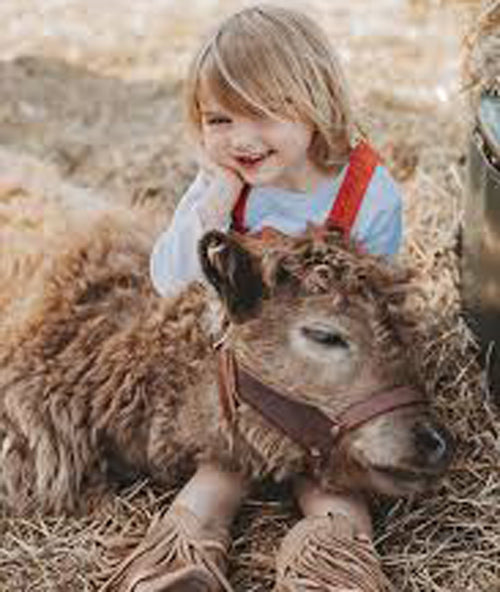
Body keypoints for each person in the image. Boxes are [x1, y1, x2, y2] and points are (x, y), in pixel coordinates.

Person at [141, 5, 399, 591]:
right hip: (238, 378)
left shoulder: (367, 193)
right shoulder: (222, 189)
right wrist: (211, 207)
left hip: (327, 382)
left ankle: (333, 572)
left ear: (314, 100)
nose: (240, 138)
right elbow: (170, 281)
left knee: (333, 485)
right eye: (219, 119)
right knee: (219, 472)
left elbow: (378, 313)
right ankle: (178, 565)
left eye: (261, 113)